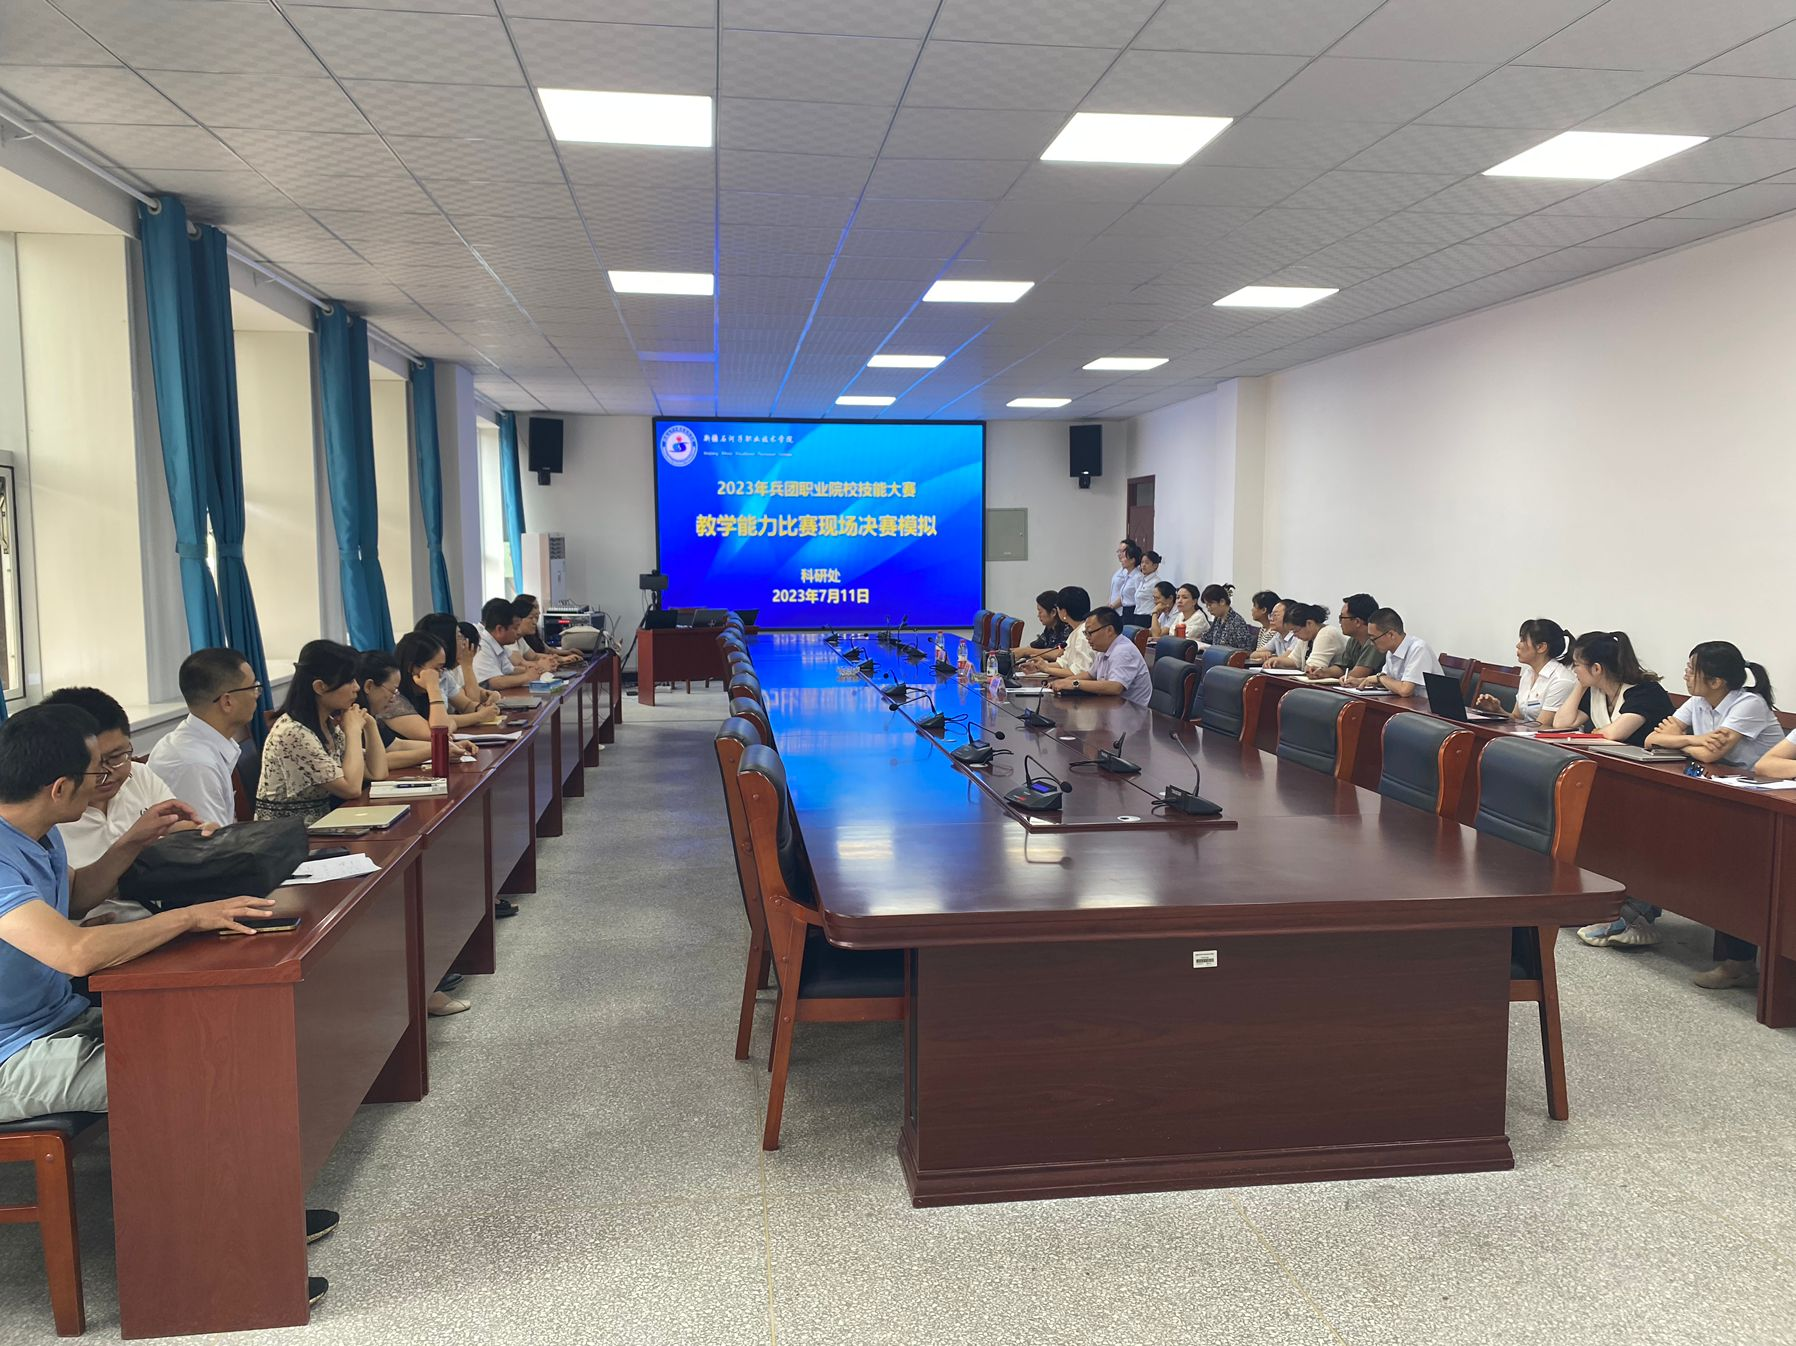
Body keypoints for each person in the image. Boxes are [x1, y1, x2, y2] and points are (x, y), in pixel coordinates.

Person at [0, 705, 333, 1303]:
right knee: (183, 1079)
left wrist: (132, 841)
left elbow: (73, 898)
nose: (108, 780)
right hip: (10, 1056)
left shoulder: (36, 834)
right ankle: (217, 1276)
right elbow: (74, 952)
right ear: (59, 787)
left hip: (53, 1023)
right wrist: (188, 917)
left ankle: (254, 1217)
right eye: (96, 771)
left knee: (219, 1044)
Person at [1634, 642, 1783, 989]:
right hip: (1722, 791)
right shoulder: (1699, 701)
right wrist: (1696, 740)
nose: (1686, 674)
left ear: (1716, 681)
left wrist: (1683, 740)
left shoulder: (1749, 703)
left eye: (1692, 669)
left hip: (1760, 802)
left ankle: (1739, 963)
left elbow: (1714, 753)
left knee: (1734, 876)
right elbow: (1653, 739)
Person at [256, 640, 387, 824]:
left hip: (320, 825)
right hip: (286, 834)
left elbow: (377, 773)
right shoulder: (293, 732)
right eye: (349, 681)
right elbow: (351, 789)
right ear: (320, 687)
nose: (357, 687)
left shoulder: (327, 724)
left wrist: (370, 725)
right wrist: (353, 731)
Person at [146, 647, 261, 828]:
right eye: (253, 687)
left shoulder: (200, 742)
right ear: (227, 702)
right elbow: (211, 841)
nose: (257, 695)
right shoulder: (194, 765)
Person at [1550, 630, 1674, 746]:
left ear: (1596, 668)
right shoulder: (1595, 689)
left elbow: (1614, 734)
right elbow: (1561, 724)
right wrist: (1581, 685)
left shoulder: (1646, 691)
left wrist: (1598, 732)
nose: (1574, 670)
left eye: (1576, 665)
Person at [387, 633, 496, 734]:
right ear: (412, 667)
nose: (440, 675)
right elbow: (439, 732)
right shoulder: (392, 700)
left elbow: (459, 711)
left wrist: (481, 709)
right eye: (436, 668)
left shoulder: (422, 692)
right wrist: (433, 687)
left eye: (442, 668)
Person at [1476, 619, 1578, 723]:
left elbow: (1542, 726)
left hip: (1541, 733)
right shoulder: (1528, 673)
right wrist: (1497, 711)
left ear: (1541, 647)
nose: (1518, 645)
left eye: (1523, 640)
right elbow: (1517, 718)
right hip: (1526, 732)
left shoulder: (1561, 680)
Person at [1049, 607, 1150, 708]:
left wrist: (1074, 684)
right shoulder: (1104, 648)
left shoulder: (1123, 651)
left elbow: (1115, 687)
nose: (1087, 638)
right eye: (1085, 633)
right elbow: (1090, 675)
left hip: (1131, 712)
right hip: (1111, 707)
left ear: (1109, 630)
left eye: (1090, 633)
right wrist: (1063, 682)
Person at [1364, 608, 1441, 697]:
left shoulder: (1418, 649)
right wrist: (1359, 681)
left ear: (1391, 634)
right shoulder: (1391, 651)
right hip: (1407, 703)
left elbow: (1405, 690)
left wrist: (1380, 678)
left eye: (1373, 639)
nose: (1371, 643)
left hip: (1427, 704)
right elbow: (1387, 681)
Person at [1022, 586, 1095, 680]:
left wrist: (1047, 669)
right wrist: (1039, 667)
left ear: (1063, 612)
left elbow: (1079, 673)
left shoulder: (1083, 634)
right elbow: (1064, 663)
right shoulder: (1075, 632)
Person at [1315, 594, 1386, 683]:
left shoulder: (1375, 642)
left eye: (1342, 617)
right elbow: (1343, 668)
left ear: (1357, 622)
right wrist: (1323, 672)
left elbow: (1358, 674)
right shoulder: (1353, 640)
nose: (1340, 622)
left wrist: (1344, 678)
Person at [472, 598, 537, 691]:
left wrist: (535, 669)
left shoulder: (499, 645)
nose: (518, 632)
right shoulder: (482, 645)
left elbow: (510, 671)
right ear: (499, 629)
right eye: (515, 628)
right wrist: (527, 676)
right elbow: (495, 682)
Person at [513, 594, 583, 668]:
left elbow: (534, 656)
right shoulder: (510, 641)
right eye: (531, 618)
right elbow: (521, 664)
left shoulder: (520, 639)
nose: (534, 622)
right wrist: (548, 663)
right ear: (518, 619)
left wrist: (562, 658)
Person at [1009, 591, 1070, 658]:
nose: (1038, 615)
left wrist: (1027, 651)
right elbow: (1034, 646)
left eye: (1040, 612)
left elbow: (1060, 652)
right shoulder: (1050, 629)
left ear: (1053, 612)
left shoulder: (1067, 629)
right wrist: (1019, 651)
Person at [1198, 583, 1255, 651]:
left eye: (1210, 605)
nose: (1208, 609)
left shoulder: (1236, 622)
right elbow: (1208, 637)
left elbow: (1245, 650)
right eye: (1206, 605)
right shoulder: (1218, 618)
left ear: (1222, 602)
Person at [1265, 604, 1322, 670]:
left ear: (1309, 623)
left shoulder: (1325, 633)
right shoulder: (1305, 638)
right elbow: (1294, 660)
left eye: (1296, 631)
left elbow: (1313, 667)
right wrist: (1277, 660)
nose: (1294, 635)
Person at [1125, 551, 1164, 627]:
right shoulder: (1142, 580)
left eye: (1147, 563)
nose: (1143, 565)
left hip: (1147, 617)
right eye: (1142, 562)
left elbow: (1159, 601)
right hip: (1137, 615)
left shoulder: (1156, 582)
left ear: (1155, 565)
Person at [1115, 541, 1146, 624]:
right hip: (1125, 610)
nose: (1122, 560)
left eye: (1124, 558)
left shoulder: (1137, 577)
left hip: (1132, 610)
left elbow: (1139, 597)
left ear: (1132, 560)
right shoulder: (1127, 575)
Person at [1106, 540, 1136, 610]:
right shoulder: (1120, 570)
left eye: (1122, 551)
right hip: (1113, 609)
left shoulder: (1131, 572)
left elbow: (1126, 594)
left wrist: (1112, 607)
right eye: (1118, 551)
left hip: (1121, 609)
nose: (1119, 554)